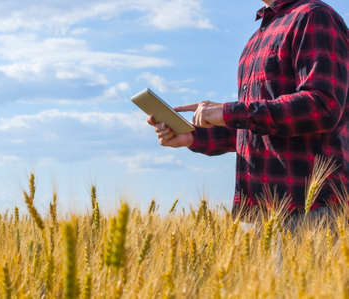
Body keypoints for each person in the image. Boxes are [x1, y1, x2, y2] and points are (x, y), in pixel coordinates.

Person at [147, 0, 348, 223]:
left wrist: (228, 112)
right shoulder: (256, 40)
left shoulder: (314, 16)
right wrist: (192, 136)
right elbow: (254, 127)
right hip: (265, 213)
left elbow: (322, 106)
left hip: (314, 211)